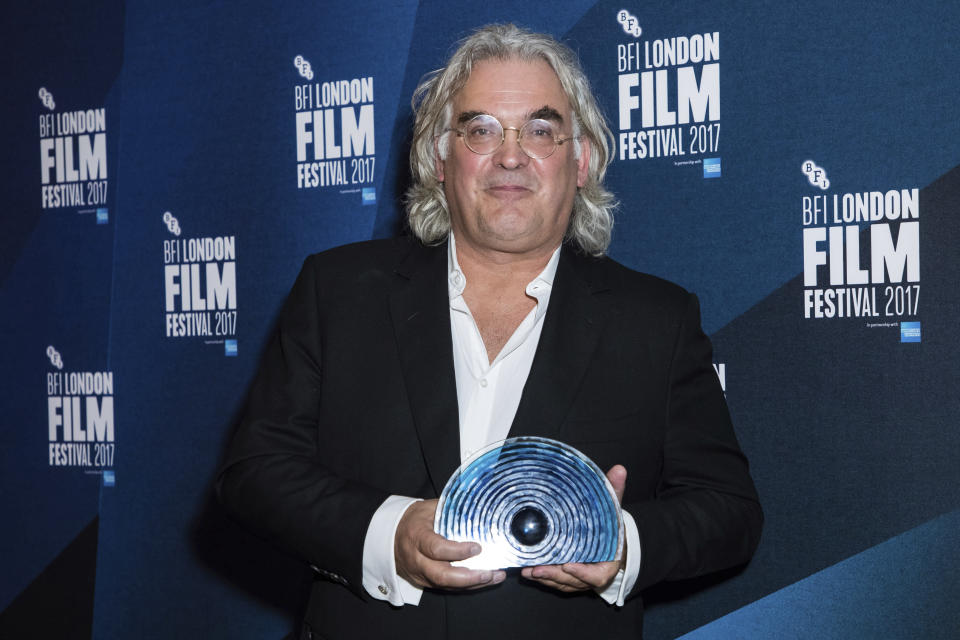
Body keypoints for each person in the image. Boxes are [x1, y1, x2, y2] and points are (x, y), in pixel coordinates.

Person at [218, 23, 762, 640]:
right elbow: (255, 472)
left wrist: (622, 544)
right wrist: (388, 535)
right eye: (480, 130)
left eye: (540, 129)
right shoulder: (337, 291)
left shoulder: (656, 320)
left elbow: (729, 512)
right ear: (439, 159)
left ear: (580, 160)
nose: (510, 155)